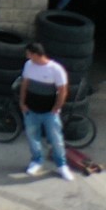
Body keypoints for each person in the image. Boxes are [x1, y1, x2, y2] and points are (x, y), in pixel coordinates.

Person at [20, 42, 73, 179]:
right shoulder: (28, 65)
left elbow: (63, 90)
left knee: (56, 139)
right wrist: (22, 103)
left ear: (36, 54)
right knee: (33, 137)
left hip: (49, 112)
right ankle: (36, 161)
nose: (27, 56)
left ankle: (62, 165)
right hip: (31, 110)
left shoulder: (56, 69)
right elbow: (25, 85)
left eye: (29, 54)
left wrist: (57, 107)